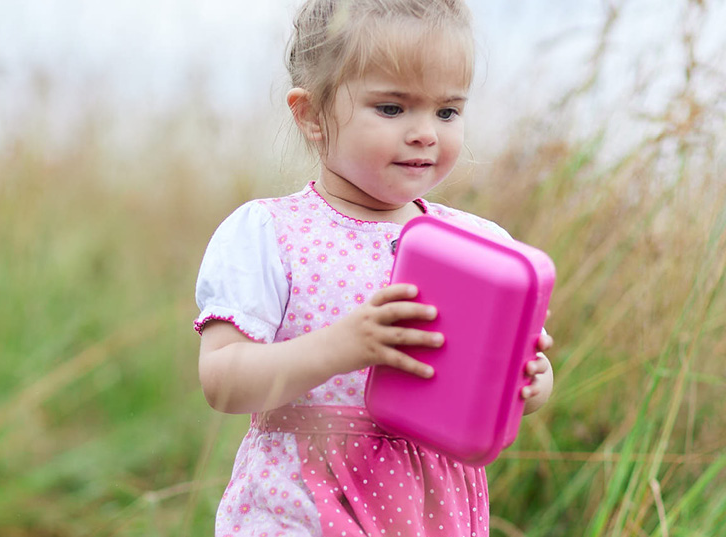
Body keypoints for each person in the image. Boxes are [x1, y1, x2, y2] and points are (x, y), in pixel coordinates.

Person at [195, 0, 554, 534]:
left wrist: (529, 383)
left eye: (447, 111)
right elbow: (222, 381)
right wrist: (341, 347)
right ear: (312, 115)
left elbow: (503, 385)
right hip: (302, 503)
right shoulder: (273, 234)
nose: (425, 132)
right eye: (392, 108)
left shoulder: (480, 247)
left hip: (431, 508)